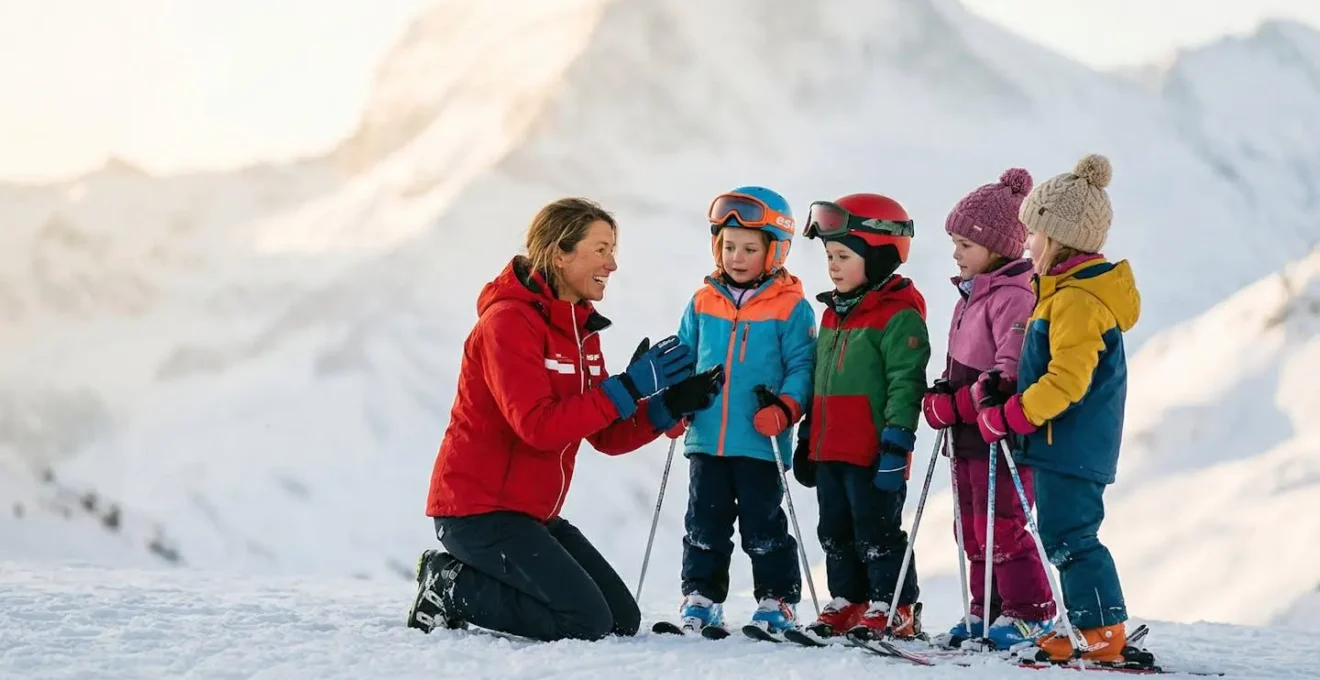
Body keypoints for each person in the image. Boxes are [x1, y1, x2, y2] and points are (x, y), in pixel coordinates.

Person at [405, 197, 726, 642]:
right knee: (584, 623)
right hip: (477, 512)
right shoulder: (508, 323)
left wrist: (668, 404)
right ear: (560, 253)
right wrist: (628, 388)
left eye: (613, 250)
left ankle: (478, 583)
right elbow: (537, 427)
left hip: (532, 514)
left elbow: (605, 436)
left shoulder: (580, 330)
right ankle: (446, 583)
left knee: (620, 622)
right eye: (600, 249)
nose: (612, 264)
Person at [973, 154, 1142, 663]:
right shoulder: (1062, 294)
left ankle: (1102, 633)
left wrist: (1013, 415)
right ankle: (1085, 625)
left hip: (1071, 442)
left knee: (1071, 536)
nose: (1025, 244)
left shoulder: (1076, 301)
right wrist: (1009, 394)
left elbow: (1067, 380)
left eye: (1032, 235)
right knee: (1060, 534)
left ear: (1057, 238)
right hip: (1059, 442)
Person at [920, 168, 1057, 649]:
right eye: (955, 243)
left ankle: (1031, 611)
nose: (956, 254)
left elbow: (1006, 376)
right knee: (972, 530)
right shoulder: (970, 293)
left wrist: (954, 403)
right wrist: (942, 392)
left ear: (999, 248)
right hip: (968, 438)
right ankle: (987, 608)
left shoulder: (1014, 297)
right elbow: (961, 364)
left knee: (1003, 528)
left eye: (965, 245)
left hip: (1001, 438)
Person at [670, 186, 817, 636]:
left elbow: (802, 367)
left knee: (763, 523)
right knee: (704, 521)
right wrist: (674, 403)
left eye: (750, 248)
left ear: (775, 251)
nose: (737, 256)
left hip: (759, 439)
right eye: (729, 246)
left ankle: (778, 599)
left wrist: (787, 408)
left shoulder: (791, 307)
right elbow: (682, 356)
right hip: (707, 436)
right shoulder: (701, 302)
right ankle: (702, 595)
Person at [791, 193, 931, 641]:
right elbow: (819, 384)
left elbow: (906, 384)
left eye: (843, 255)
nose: (832, 265)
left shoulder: (898, 316)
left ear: (879, 256)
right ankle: (849, 600)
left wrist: (897, 444)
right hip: (830, 449)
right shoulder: (832, 315)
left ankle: (895, 606)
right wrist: (807, 436)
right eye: (829, 255)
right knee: (834, 531)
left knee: (877, 533)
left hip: (874, 452)